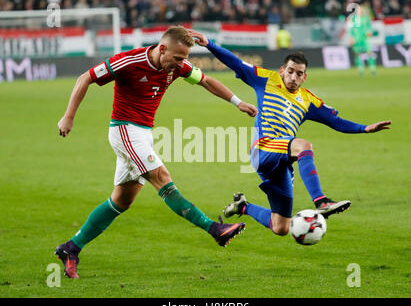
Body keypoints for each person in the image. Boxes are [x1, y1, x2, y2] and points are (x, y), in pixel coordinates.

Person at [55, 26, 258, 279]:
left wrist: (238, 103)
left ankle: (70, 248)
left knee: (121, 201)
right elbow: (85, 78)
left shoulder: (177, 66)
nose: (181, 64)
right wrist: (68, 117)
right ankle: (215, 228)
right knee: (162, 178)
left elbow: (206, 81)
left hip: (144, 134)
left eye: (184, 59)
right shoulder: (129, 61)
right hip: (125, 130)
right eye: (177, 58)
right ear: (162, 49)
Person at [189, 29, 391, 236]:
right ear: (282, 70)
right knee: (303, 145)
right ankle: (321, 201)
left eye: (299, 74)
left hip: (282, 162)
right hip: (264, 148)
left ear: (305, 77)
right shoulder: (266, 79)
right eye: (291, 71)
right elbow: (235, 62)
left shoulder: (309, 100)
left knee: (281, 227)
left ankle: (242, 207)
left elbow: (336, 122)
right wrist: (209, 44)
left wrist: (364, 129)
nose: (294, 77)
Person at [349, 2, 377, 75]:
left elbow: (369, 27)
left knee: (369, 53)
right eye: (359, 10)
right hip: (357, 38)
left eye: (361, 10)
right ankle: (360, 70)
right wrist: (352, 38)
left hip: (365, 38)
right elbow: (352, 29)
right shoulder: (354, 18)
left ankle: (373, 69)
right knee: (357, 54)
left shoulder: (366, 18)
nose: (360, 11)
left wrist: (370, 32)